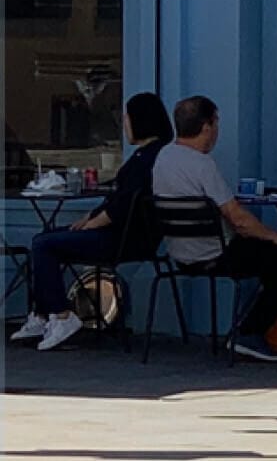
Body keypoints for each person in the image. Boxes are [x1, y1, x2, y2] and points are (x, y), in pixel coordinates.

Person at [152, 95, 277, 363]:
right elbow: (238, 218)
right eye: (216, 123)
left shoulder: (164, 157)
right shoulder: (201, 165)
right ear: (207, 127)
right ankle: (249, 333)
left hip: (180, 253)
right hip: (217, 253)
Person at [10, 92, 173, 351]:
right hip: (126, 235)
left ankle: (61, 316)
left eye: (127, 119)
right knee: (45, 240)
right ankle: (42, 315)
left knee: (43, 244)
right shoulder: (152, 156)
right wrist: (88, 218)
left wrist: (92, 224)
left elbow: (123, 206)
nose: (125, 125)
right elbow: (116, 200)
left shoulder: (147, 161)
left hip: (121, 239)